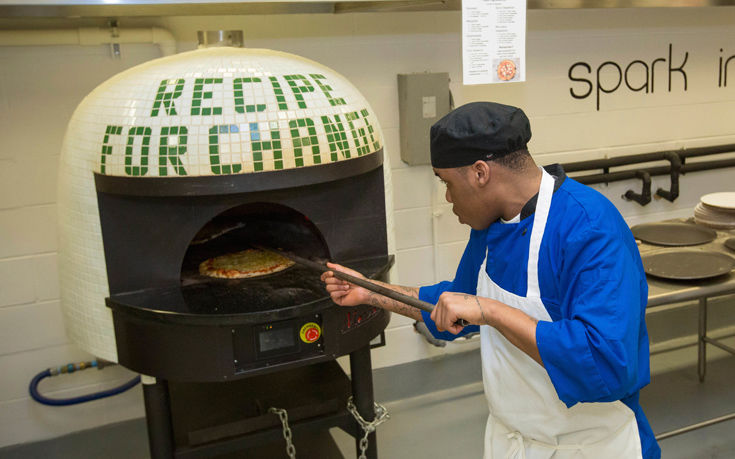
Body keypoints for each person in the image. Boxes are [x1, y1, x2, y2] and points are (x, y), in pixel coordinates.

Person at [321, 101, 660, 458]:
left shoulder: (588, 228)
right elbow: (459, 303)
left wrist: (493, 312)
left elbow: (607, 362)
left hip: (591, 447)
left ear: (480, 172)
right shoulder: (493, 226)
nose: (449, 198)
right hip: (512, 441)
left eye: (447, 183)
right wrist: (371, 293)